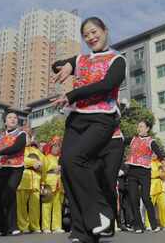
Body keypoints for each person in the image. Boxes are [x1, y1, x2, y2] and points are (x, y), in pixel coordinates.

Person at [51, 17, 126, 243]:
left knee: (76, 159)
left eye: (95, 32)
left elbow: (107, 84)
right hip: (76, 118)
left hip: (101, 119)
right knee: (67, 166)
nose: (91, 37)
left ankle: (101, 213)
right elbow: (62, 64)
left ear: (105, 30)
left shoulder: (117, 59)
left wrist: (72, 94)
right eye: (86, 35)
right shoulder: (81, 58)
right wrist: (66, 65)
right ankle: (82, 231)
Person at [0, 112, 26, 236]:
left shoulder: (21, 134)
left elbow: (17, 147)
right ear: (5, 122)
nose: (13, 119)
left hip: (16, 168)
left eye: (15, 118)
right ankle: (0, 227)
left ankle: (12, 225)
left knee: (8, 194)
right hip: (0, 168)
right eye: (10, 117)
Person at [124, 120, 165, 233]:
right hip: (132, 171)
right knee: (133, 199)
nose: (139, 128)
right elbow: (120, 140)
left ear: (147, 128)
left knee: (146, 198)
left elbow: (159, 153)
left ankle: (154, 225)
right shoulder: (133, 139)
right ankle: (138, 225)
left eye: (141, 126)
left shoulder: (151, 141)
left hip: (144, 172)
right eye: (138, 126)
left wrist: (164, 161)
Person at [16, 137, 45, 234]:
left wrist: (43, 182)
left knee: (35, 206)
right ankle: (23, 226)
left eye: (28, 137)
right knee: (21, 206)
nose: (27, 139)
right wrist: (33, 162)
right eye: (24, 137)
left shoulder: (36, 151)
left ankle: (35, 226)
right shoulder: (18, 150)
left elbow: (44, 163)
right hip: (22, 179)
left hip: (36, 180)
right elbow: (20, 160)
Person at [41, 143, 65, 234]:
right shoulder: (46, 158)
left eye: (58, 146)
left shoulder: (61, 158)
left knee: (57, 206)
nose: (57, 148)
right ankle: (46, 227)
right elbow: (43, 171)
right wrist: (42, 184)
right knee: (46, 205)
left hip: (59, 183)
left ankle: (57, 226)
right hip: (48, 182)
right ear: (50, 148)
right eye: (54, 146)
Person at [146, 154, 165, 231]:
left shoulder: (161, 163)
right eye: (152, 153)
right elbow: (147, 175)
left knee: (164, 205)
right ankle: (149, 224)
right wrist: (158, 173)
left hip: (161, 186)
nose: (154, 155)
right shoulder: (147, 163)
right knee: (150, 206)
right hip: (151, 186)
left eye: (155, 153)